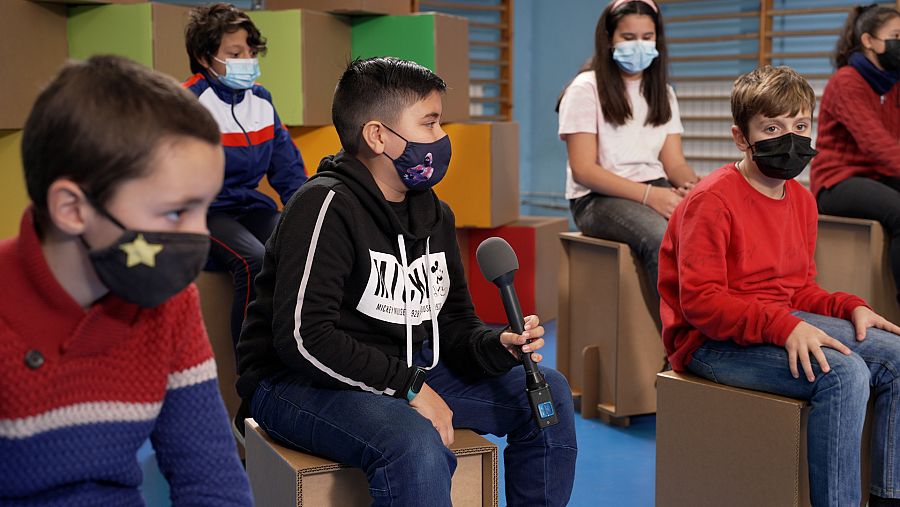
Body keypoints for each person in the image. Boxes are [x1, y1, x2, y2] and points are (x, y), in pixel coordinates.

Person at [234, 57, 577, 506]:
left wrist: (497, 346)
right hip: (295, 385)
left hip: (403, 371)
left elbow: (452, 324)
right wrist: (412, 388)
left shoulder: (435, 214)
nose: (442, 138)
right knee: (414, 442)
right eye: (430, 123)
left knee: (547, 393)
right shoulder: (322, 207)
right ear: (378, 136)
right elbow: (303, 339)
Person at [0, 56, 251, 505]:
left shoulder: (169, 301)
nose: (201, 235)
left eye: (204, 209)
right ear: (73, 209)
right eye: (177, 212)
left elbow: (212, 480)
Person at [659, 64, 900, 507]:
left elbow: (799, 288)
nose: (791, 138)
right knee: (843, 374)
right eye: (772, 127)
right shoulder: (710, 201)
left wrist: (848, 307)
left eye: (801, 125)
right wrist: (785, 327)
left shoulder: (802, 199)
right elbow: (702, 304)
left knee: (897, 356)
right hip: (710, 343)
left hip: (773, 324)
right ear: (741, 137)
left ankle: (888, 494)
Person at [184, 2, 307, 350]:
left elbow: (288, 170)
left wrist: (308, 216)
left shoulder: (262, 101)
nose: (247, 61)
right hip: (205, 212)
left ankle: (294, 353)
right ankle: (251, 371)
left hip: (250, 206)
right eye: (235, 53)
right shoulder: (187, 103)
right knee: (254, 261)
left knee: (296, 247)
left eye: (251, 52)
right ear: (205, 57)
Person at [557, 0, 699, 300]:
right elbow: (584, 170)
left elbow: (674, 164)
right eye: (628, 37)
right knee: (660, 238)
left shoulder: (664, 92)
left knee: (708, 230)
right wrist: (651, 196)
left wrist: (692, 187)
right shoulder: (585, 88)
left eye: (647, 38)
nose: (640, 46)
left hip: (654, 189)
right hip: (596, 199)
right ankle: (680, 338)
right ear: (609, 39)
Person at [811, 4, 900, 303]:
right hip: (837, 181)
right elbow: (877, 144)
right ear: (869, 41)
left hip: (877, 176)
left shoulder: (894, 83)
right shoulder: (847, 81)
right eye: (896, 35)